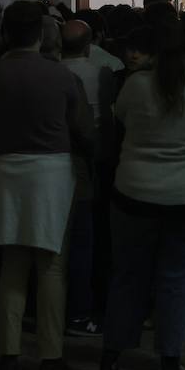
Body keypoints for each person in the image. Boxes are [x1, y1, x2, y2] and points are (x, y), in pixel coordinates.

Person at [98, 22, 185, 370]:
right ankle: (170, 366)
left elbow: (120, 119)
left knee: (127, 277)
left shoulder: (136, 86)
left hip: (134, 192)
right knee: (178, 282)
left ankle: (110, 360)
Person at [0, 2, 92, 370]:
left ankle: (8, 354)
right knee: (51, 267)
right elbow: (81, 125)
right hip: (50, 171)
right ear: (42, 36)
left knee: (12, 264)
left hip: (6, 169)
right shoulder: (59, 75)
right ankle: (50, 356)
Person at [60, 19, 112, 337]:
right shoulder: (102, 70)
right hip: (90, 159)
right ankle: (83, 306)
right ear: (89, 44)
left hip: (56, 159)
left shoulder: (55, 72)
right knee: (85, 237)